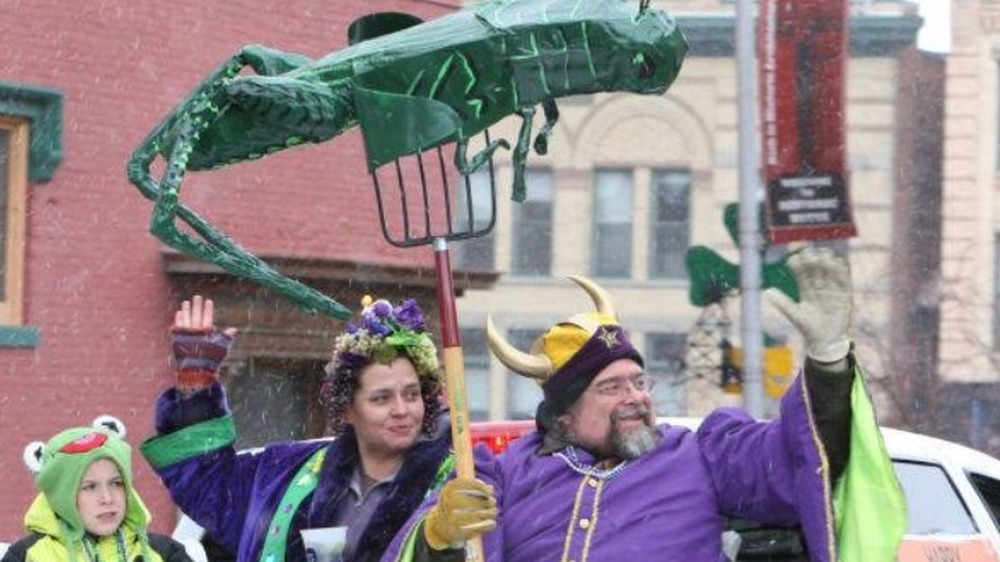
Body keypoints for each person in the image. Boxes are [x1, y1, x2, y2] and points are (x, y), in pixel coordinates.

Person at [381, 246, 906, 562]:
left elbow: (802, 457)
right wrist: (439, 536)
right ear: (563, 414)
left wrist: (828, 362)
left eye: (640, 382)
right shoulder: (505, 472)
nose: (635, 397)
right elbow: (453, 546)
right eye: (611, 388)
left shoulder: (702, 454)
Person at [140, 295, 455, 562]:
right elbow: (210, 487)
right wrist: (195, 389)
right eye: (382, 398)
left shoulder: (458, 481)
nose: (402, 410)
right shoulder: (287, 474)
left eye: (412, 395)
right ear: (348, 409)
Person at [3, 416, 192, 562]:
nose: (107, 498)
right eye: (90, 486)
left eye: (116, 483)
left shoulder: (164, 554)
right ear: (62, 497)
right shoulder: (27, 556)